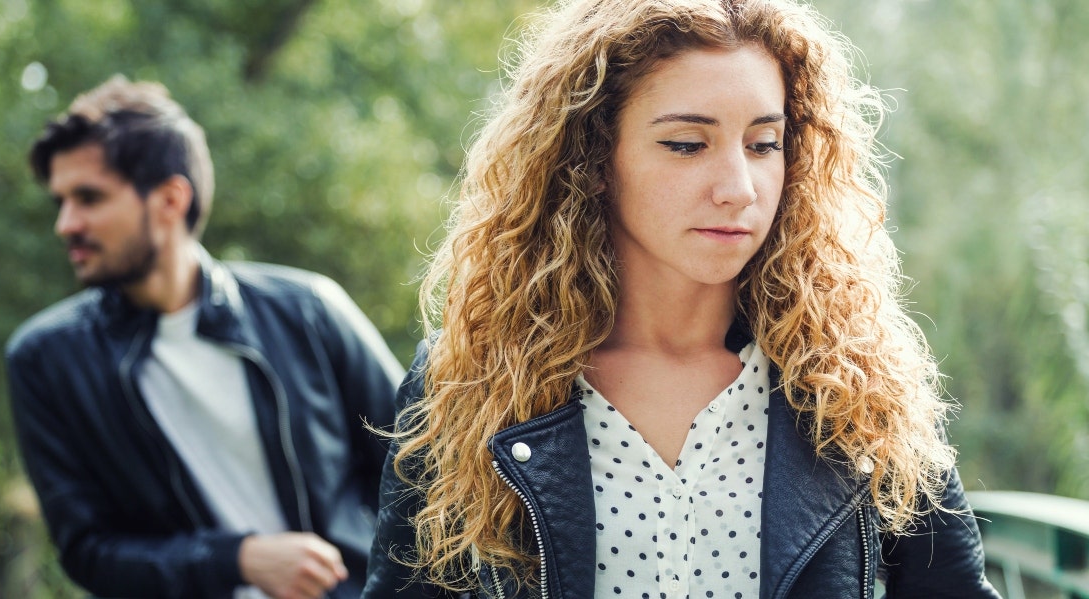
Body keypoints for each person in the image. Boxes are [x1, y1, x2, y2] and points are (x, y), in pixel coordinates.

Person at [363, 0, 1001, 597]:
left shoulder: (856, 380)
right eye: (687, 144)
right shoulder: (471, 379)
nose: (738, 187)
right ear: (591, 157)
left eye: (763, 144)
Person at [6, 75, 404, 599]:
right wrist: (236, 558)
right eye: (61, 200)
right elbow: (89, 552)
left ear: (170, 199)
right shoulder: (45, 360)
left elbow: (423, 472)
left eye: (89, 197)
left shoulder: (308, 310)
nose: (66, 223)